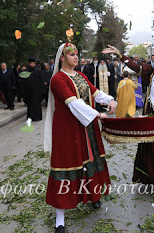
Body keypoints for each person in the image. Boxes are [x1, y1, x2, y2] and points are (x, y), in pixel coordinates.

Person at [44, 43, 116, 233]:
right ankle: (60, 219)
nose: (76, 57)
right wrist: (98, 114)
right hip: (68, 130)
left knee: (90, 161)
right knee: (65, 166)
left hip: (87, 128)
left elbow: (94, 92)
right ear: (62, 57)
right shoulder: (58, 79)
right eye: (71, 54)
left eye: (77, 54)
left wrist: (109, 100)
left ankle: (94, 196)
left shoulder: (81, 75)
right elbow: (73, 103)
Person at [102, 45, 154, 196]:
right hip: (150, 118)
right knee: (150, 148)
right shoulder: (152, 74)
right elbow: (135, 66)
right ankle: (150, 180)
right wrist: (119, 54)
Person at [22, 57, 45, 121]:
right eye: (31, 63)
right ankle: (30, 117)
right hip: (29, 92)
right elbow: (23, 82)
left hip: (37, 92)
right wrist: (23, 92)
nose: (32, 65)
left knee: (37, 105)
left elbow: (41, 82)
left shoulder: (38, 71)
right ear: (29, 64)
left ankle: (37, 117)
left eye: (33, 63)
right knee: (30, 105)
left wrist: (42, 91)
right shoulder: (26, 72)